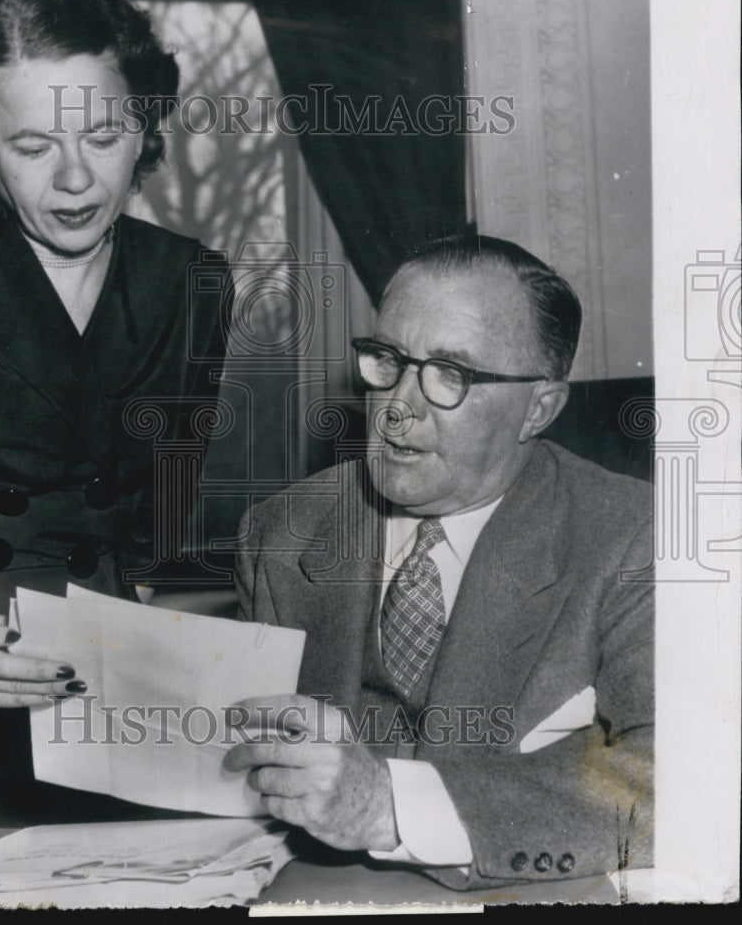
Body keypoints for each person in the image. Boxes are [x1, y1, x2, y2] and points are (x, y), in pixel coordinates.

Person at [0, 0, 231, 843]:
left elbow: (162, 518)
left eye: (104, 135)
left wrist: (199, 675)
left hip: (118, 699)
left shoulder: (192, 281)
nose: (76, 177)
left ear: (144, 131)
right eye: (34, 145)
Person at [227, 235, 653, 891]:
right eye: (387, 360)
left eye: (451, 374)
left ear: (538, 407)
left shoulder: (631, 538)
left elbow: (677, 779)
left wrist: (388, 807)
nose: (398, 406)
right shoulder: (281, 531)